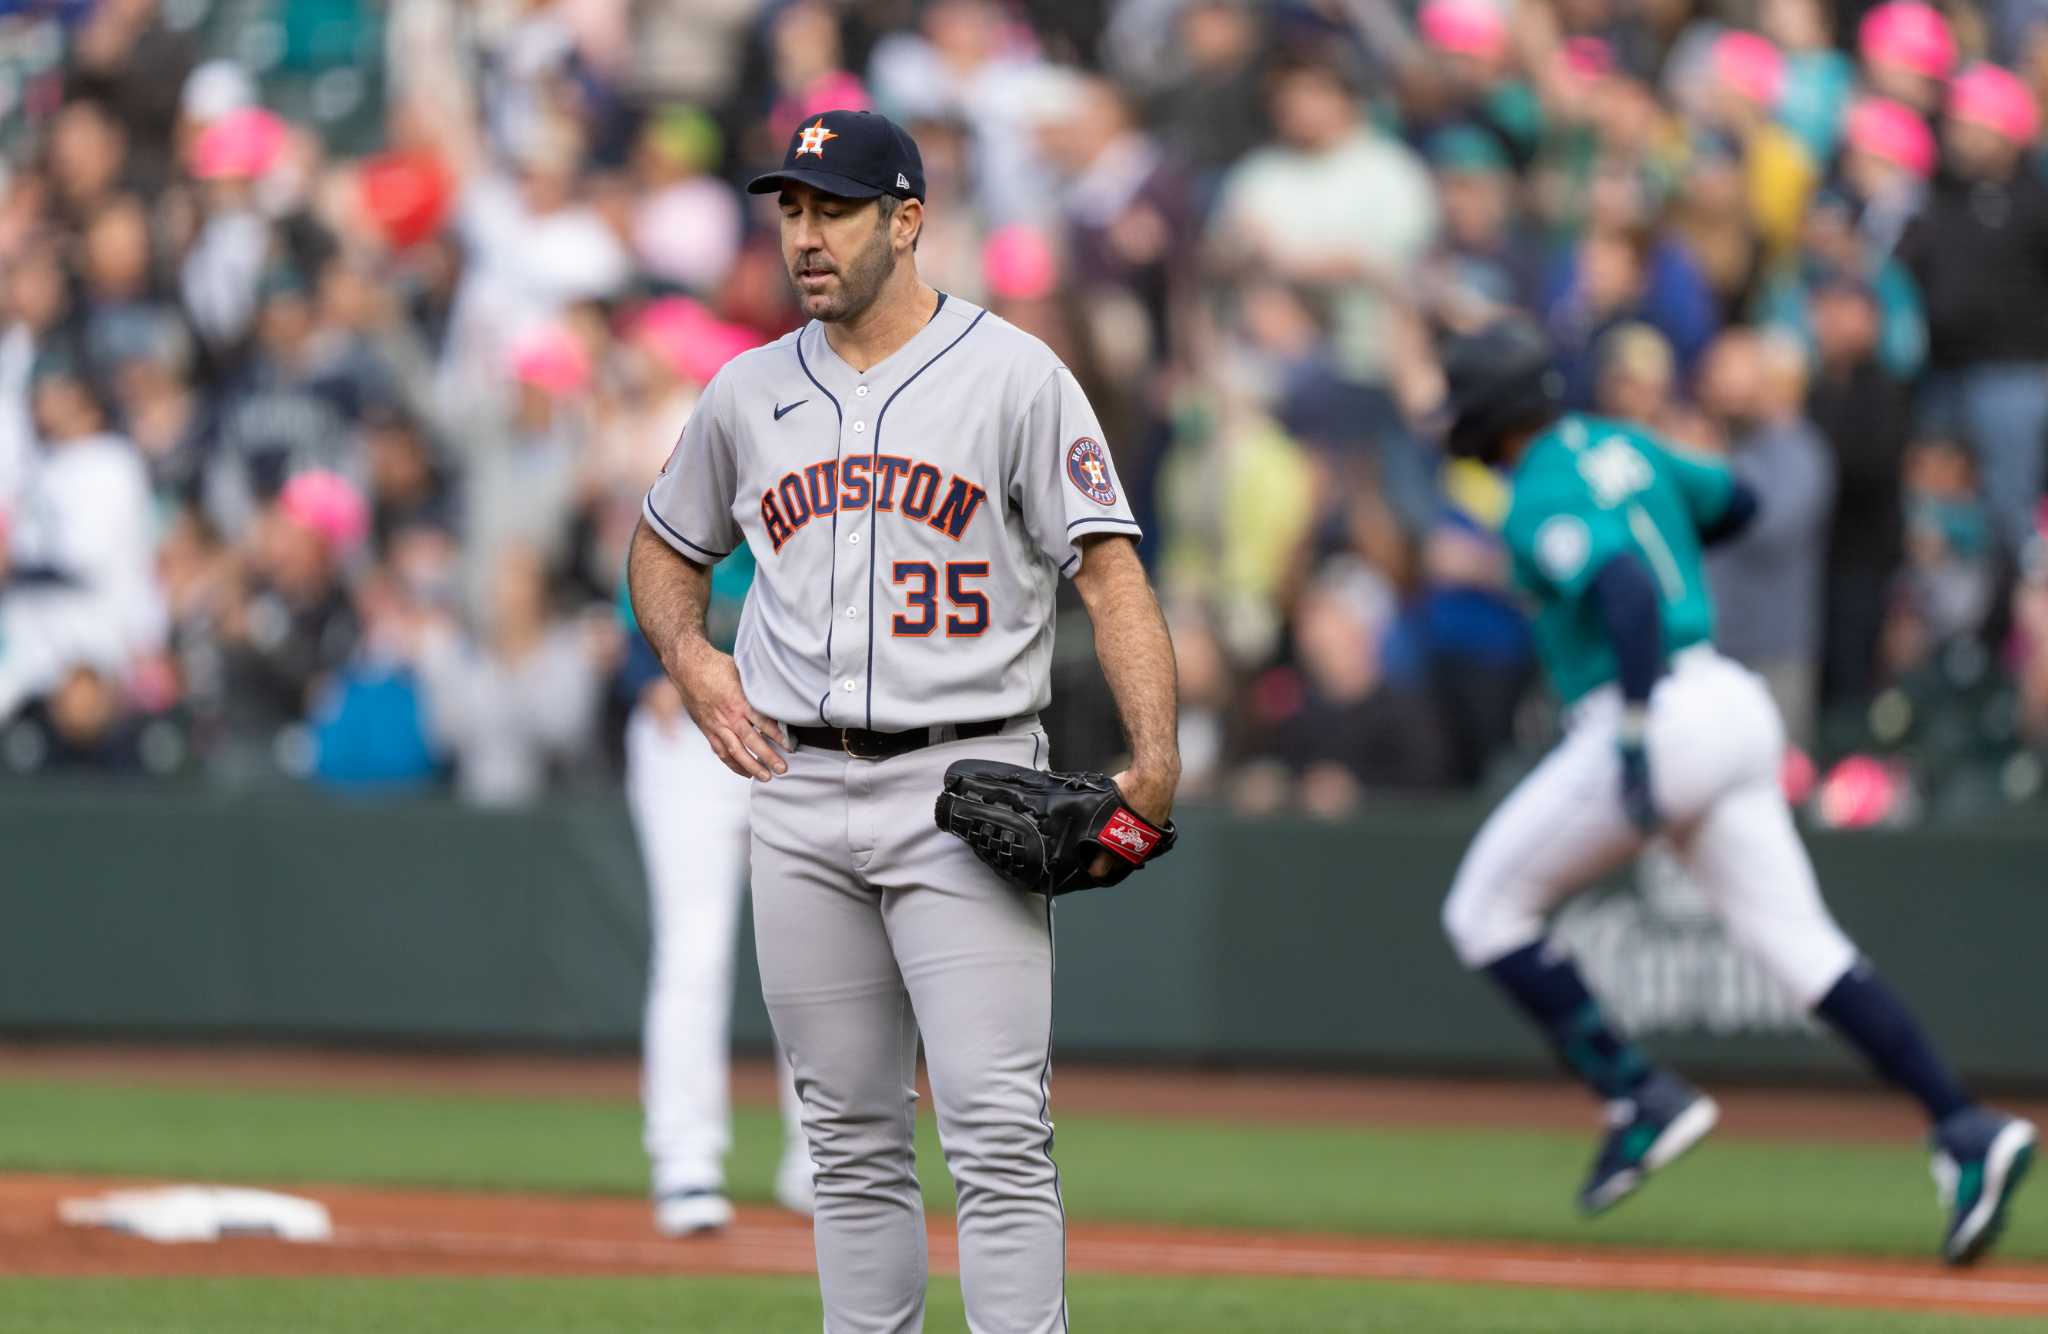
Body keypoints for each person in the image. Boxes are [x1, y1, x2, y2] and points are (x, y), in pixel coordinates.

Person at [627, 110, 1179, 1331]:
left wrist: (1156, 757)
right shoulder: (746, 390)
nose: (806, 236)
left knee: (993, 1128)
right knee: (848, 1142)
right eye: (791, 210)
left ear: (906, 219)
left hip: (963, 785)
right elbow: (665, 547)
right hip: (796, 789)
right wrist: (690, 658)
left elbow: (1109, 570)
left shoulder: (1015, 375)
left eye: (833, 208)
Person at [1433, 317, 2036, 1266]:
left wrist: (1633, 730)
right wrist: (1671, 527)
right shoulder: (1627, 443)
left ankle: (1637, 1092)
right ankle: (1964, 1127)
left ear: (1490, 415)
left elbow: (1626, 590)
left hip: (1653, 714)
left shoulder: (1540, 489)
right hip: (1732, 700)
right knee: (1805, 952)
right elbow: (1739, 502)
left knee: (1483, 911)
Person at [618, 545, 816, 1235]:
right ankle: (685, 1159)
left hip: (799, 729)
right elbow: (647, 576)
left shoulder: (832, 462)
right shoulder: (709, 452)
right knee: (694, 951)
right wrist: (654, 668)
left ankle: (823, 1158)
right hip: (691, 725)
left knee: (817, 954)